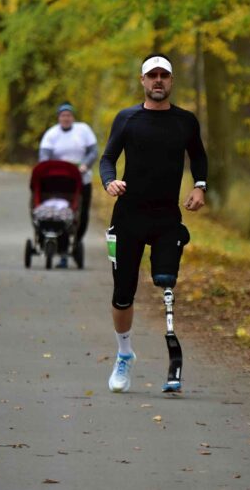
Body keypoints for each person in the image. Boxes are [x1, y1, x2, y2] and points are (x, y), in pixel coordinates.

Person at [99, 53, 208, 393]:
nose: (158, 80)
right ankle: (124, 354)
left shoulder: (185, 121)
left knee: (166, 281)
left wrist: (200, 186)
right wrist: (109, 182)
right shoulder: (127, 119)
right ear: (143, 80)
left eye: (164, 75)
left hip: (166, 218)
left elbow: (199, 156)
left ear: (171, 80)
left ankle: (173, 361)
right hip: (128, 217)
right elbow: (107, 158)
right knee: (123, 294)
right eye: (152, 75)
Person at [39, 102, 98, 268]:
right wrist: (47, 169)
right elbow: (44, 157)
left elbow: (93, 152)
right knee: (60, 213)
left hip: (81, 180)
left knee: (81, 214)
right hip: (58, 182)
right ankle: (57, 245)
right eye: (63, 115)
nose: (66, 118)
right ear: (58, 118)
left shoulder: (83, 130)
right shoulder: (51, 134)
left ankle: (76, 242)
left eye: (69, 115)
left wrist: (85, 164)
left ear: (73, 117)